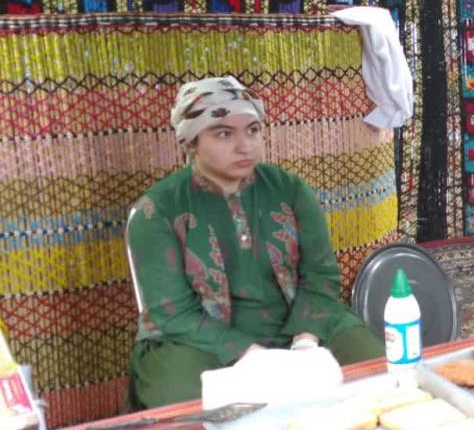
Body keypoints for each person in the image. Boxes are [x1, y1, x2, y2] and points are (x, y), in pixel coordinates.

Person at [127, 76, 383, 408]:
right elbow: (171, 313)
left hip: (299, 322)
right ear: (191, 142)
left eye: (252, 130)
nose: (244, 145)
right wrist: (249, 354)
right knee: (187, 406)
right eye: (223, 133)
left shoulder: (290, 190)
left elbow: (321, 275)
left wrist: (305, 342)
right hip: (196, 340)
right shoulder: (157, 210)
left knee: (376, 375)